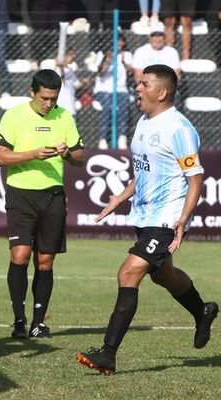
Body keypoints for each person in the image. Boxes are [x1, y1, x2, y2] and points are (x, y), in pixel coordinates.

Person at [76, 64, 218, 375]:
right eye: (139, 82)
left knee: (128, 274)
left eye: (144, 83)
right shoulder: (143, 122)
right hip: (145, 215)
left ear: (162, 92)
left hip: (166, 219)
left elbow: (195, 179)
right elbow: (144, 174)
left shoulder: (178, 129)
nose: (138, 88)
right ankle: (203, 311)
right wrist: (119, 197)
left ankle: (108, 355)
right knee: (163, 276)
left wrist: (182, 220)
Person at [0, 69, 85, 340]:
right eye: (44, 98)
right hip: (21, 195)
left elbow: (80, 157)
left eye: (53, 99)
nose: (49, 104)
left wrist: (67, 153)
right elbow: (0, 156)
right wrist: (33, 154)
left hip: (53, 196)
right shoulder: (14, 115)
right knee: (19, 255)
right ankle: (19, 320)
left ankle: (38, 322)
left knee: (45, 261)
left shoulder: (65, 116)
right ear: (31, 92)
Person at [93, 34, 133, 150]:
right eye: (117, 41)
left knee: (124, 107)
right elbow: (100, 73)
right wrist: (108, 60)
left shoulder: (127, 55)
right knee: (106, 105)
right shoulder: (102, 54)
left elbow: (130, 72)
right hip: (103, 89)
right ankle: (102, 139)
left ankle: (122, 137)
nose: (119, 44)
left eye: (121, 41)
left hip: (121, 89)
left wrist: (123, 60)